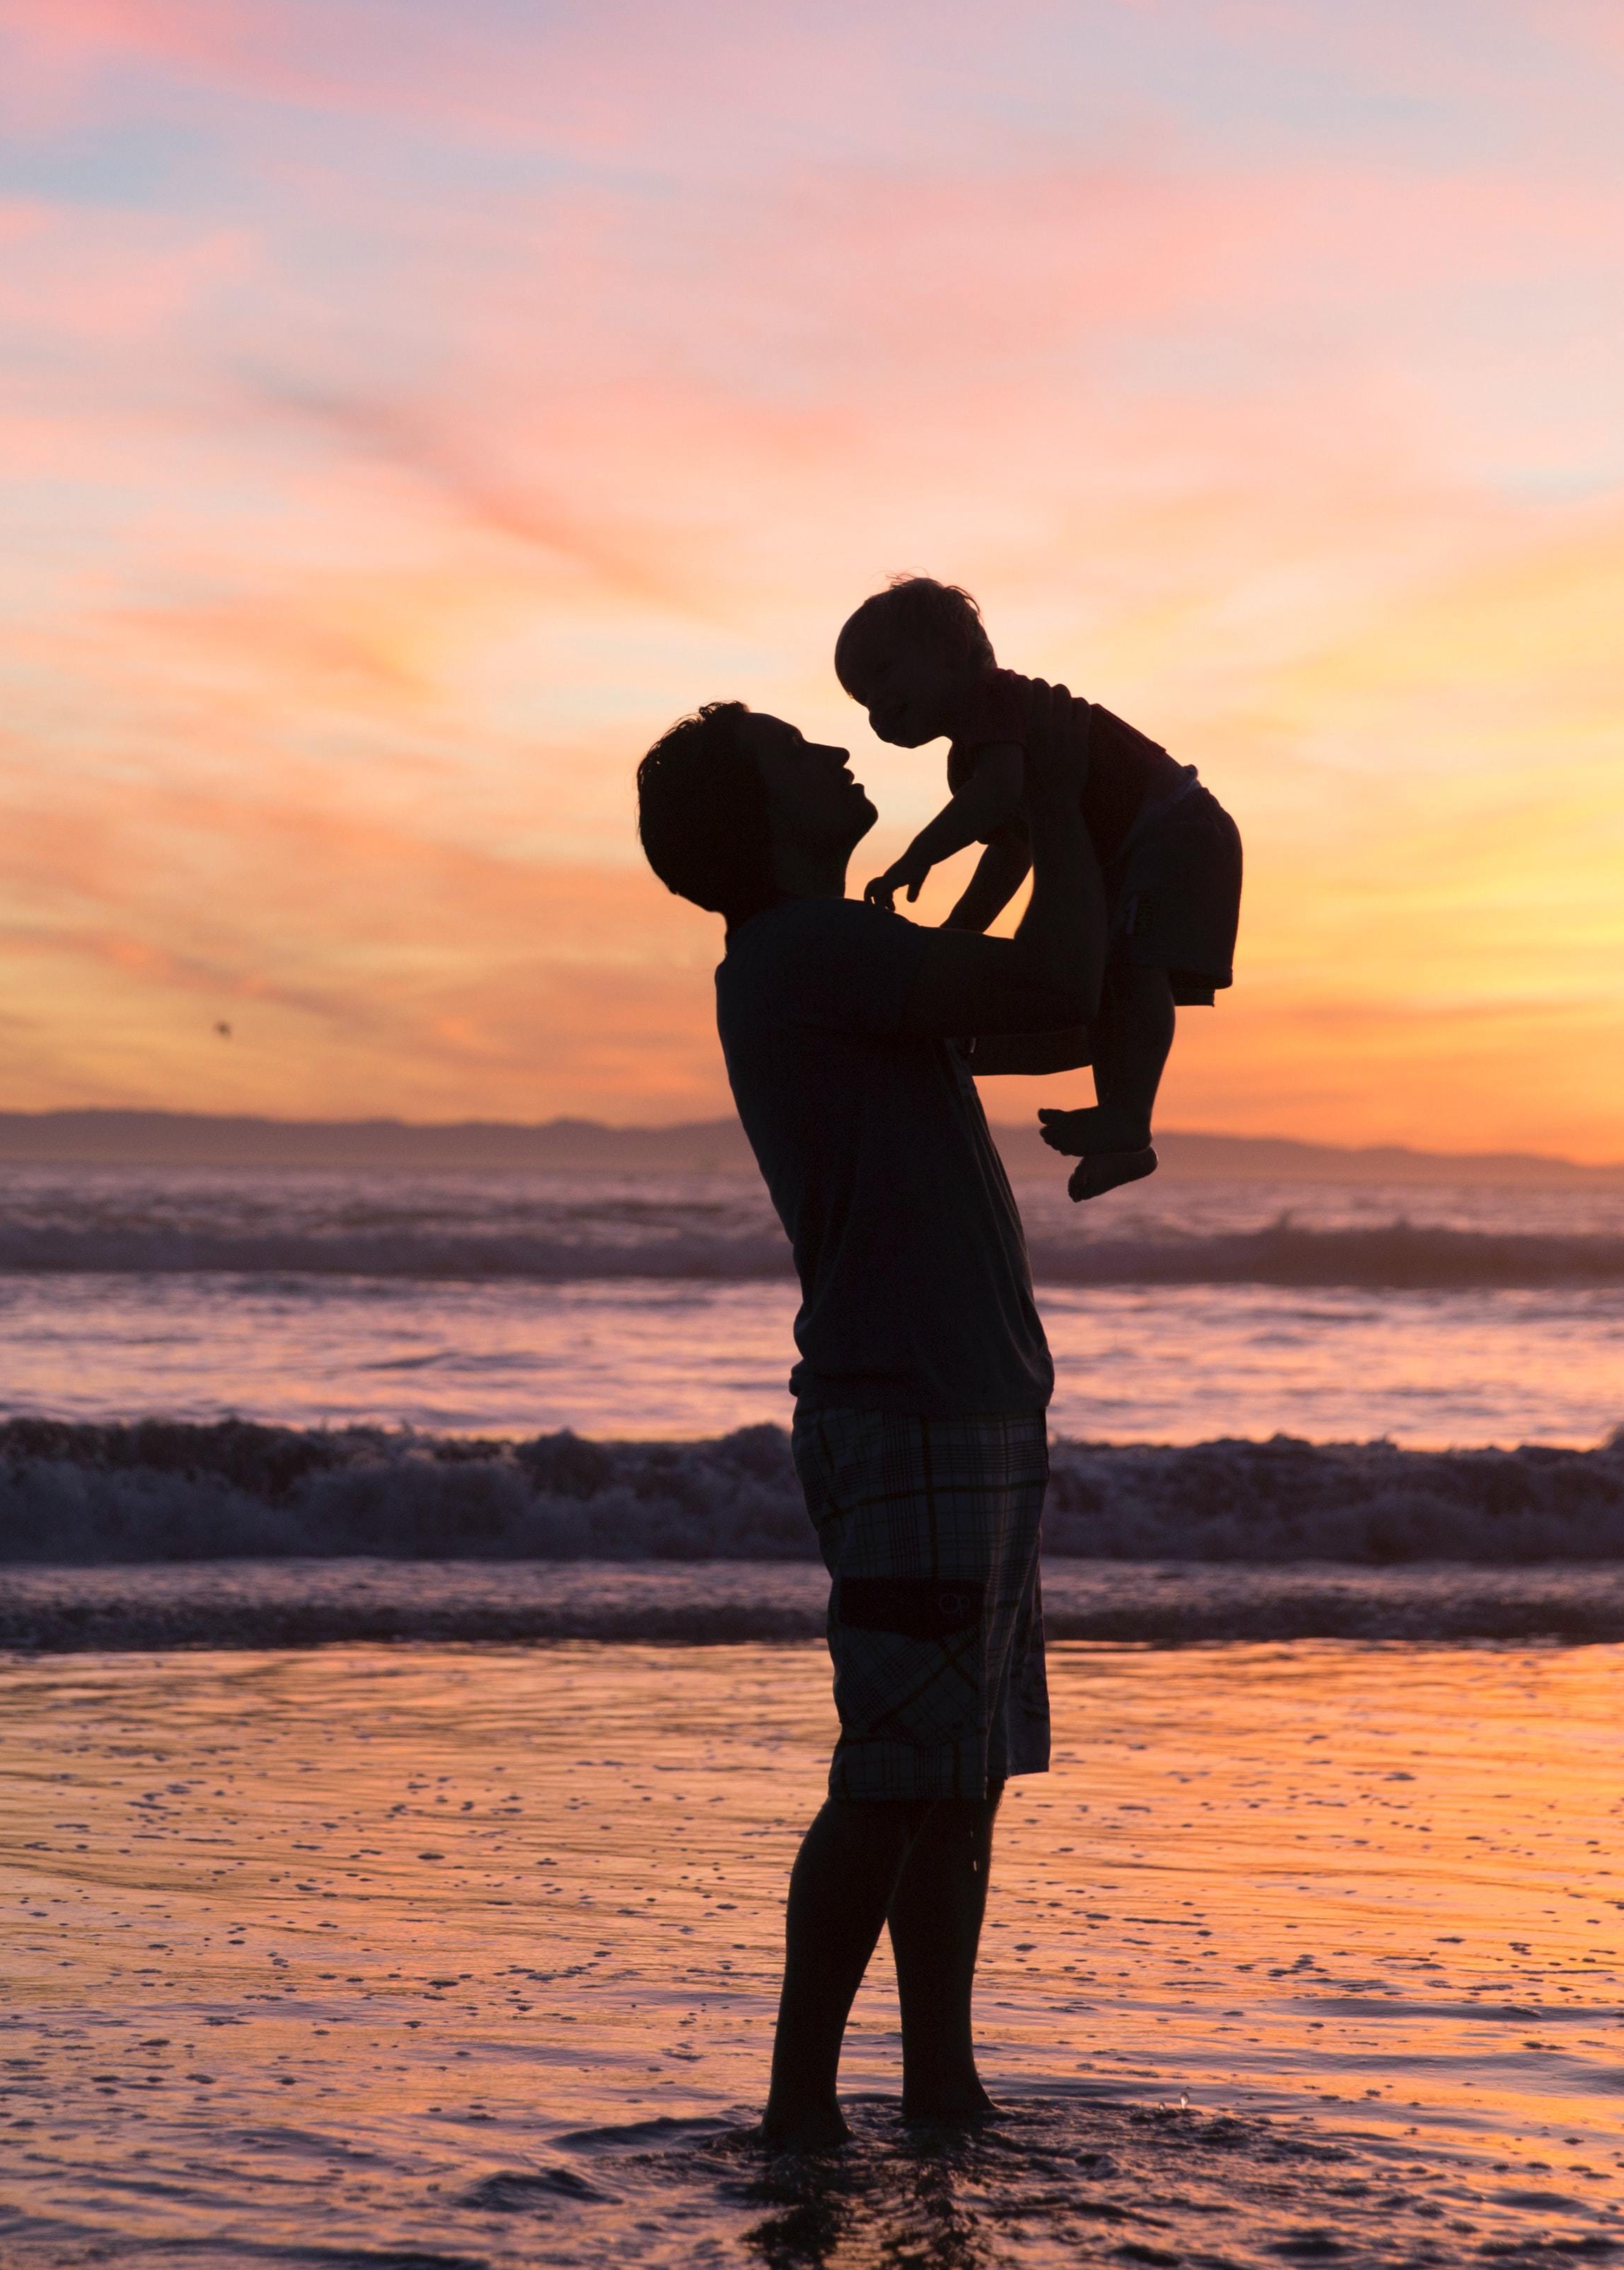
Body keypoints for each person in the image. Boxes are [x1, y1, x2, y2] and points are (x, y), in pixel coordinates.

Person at [631, 687, 1107, 2148]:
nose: (838, 753)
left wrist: (1023, 842)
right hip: (909, 1406)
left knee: (951, 1773)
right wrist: (1080, 805)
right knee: (901, 1772)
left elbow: (1027, 1006)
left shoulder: (827, 961)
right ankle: (798, 2105)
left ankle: (935, 2084)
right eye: (798, 752)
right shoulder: (806, 948)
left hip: (951, 1401)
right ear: (761, 822)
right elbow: (1058, 984)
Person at [834, 575, 1243, 1202]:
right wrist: (958, 934)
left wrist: (919, 855)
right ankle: (1126, 1139)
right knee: (1111, 978)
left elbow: (999, 801)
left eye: (886, 675)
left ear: (959, 654)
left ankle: (1128, 1118)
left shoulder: (1000, 703)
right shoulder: (970, 757)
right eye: (863, 697)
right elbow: (1013, 848)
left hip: (1176, 831)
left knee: (1134, 972)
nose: (877, 705)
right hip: (1141, 849)